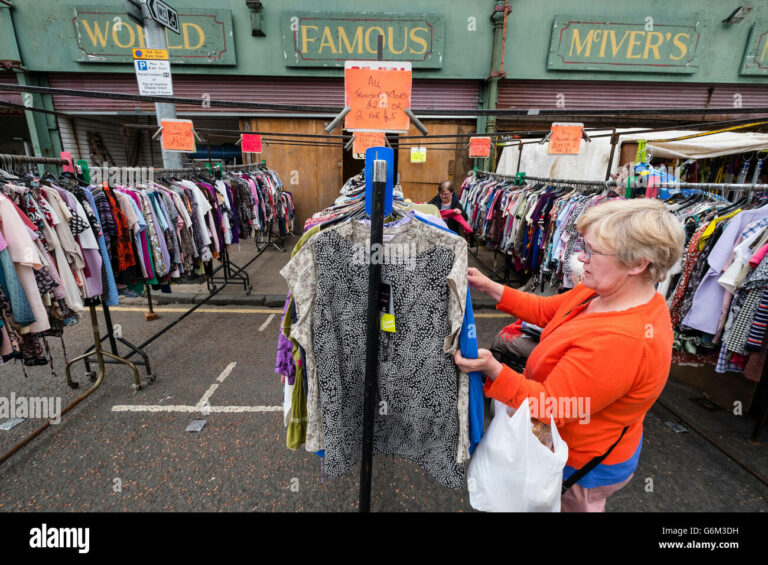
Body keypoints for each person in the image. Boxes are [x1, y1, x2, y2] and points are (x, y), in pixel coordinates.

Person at [454, 198, 685, 512]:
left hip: (581, 462)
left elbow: (554, 406)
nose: (580, 256)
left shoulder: (623, 341)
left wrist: (495, 370)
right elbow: (549, 310)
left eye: (593, 251)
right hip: (567, 441)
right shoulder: (606, 291)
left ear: (637, 263)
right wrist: (492, 287)